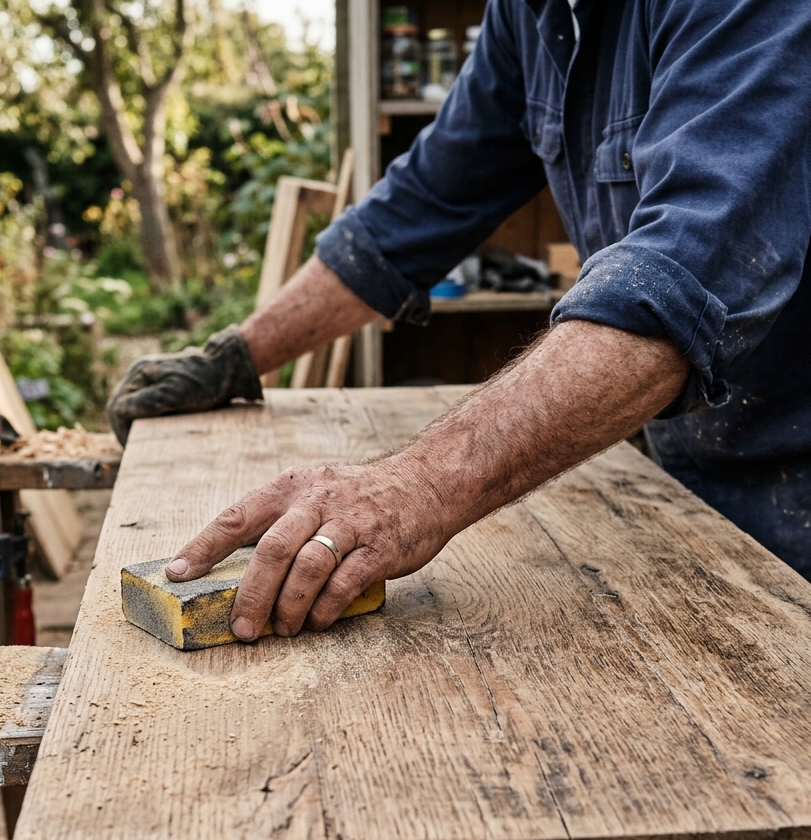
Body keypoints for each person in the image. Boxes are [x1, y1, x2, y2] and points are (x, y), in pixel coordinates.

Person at [107, 0, 811, 643]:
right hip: (694, 474)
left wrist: (417, 486)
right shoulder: (532, 16)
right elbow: (416, 209)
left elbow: (682, 283)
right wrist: (235, 356)